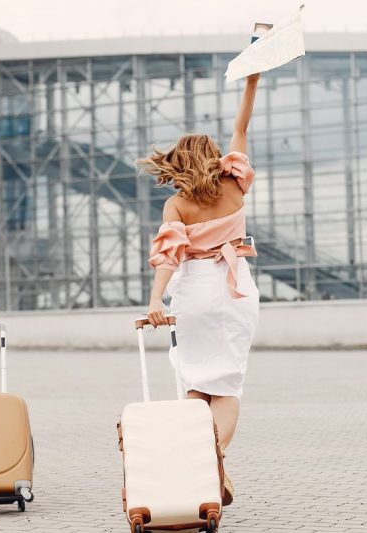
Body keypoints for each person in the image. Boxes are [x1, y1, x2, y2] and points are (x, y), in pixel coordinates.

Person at [142, 73, 261, 507]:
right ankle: (216, 457)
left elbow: (168, 256)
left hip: (194, 293)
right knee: (227, 386)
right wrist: (251, 83)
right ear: (212, 157)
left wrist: (156, 300)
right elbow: (242, 128)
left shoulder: (176, 204)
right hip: (236, 290)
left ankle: (203, 462)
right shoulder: (235, 185)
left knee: (196, 382)